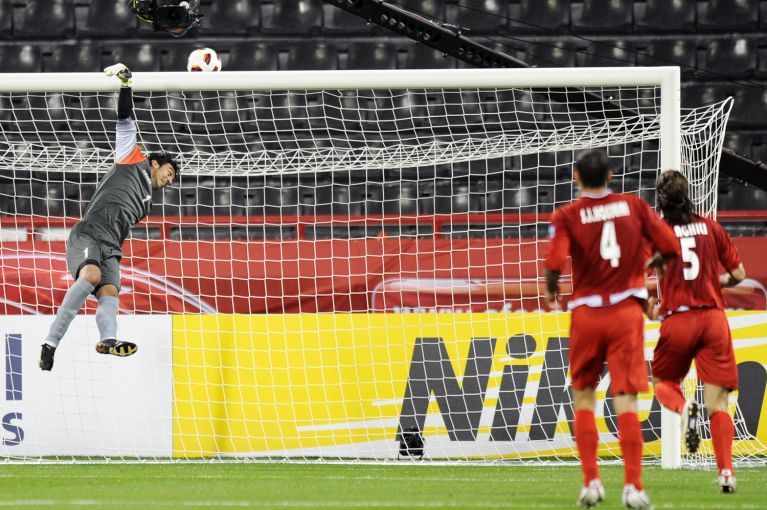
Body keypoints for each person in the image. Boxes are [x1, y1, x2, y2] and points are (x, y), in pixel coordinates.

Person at [544, 149, 680, 509]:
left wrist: (550, 291)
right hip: (625, 314)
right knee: (627, 401)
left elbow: (554, 262)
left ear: (575, 176)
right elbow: (670, 246)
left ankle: (591, 483)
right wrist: (651, 263)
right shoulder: (634, 206)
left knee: (584, 397)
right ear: (611, 176)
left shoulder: (567, 215)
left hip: (587, 314)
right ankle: (633, 487)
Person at [39, 63, 178, 371]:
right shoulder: (132, 159)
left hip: (112, 247)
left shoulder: (147, 204)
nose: (169, 180)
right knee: (90, 277)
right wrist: (126, 86)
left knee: (110, 294)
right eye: (169, 173)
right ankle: (50, 342)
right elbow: (125, 118)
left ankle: (108, 340)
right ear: (155, 163)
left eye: (172, 179)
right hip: (89, 233)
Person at [648, 170, 744, 494]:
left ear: (661, 201)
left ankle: (684, 408)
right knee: (718, 404)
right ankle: (726, 473)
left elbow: (639, 274)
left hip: (678, 320)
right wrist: (715, 282)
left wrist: (651, 305)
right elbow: (739, 273)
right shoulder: (711, 228)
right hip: (713, 320)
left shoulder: (658, 234)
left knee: (662, 382)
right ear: (688, 195)